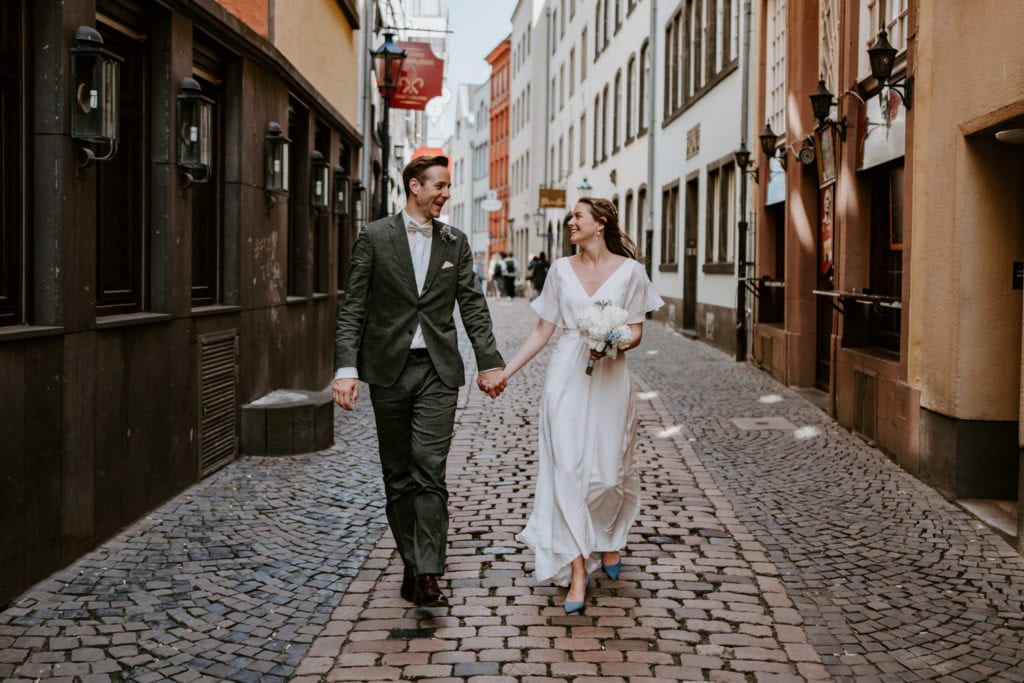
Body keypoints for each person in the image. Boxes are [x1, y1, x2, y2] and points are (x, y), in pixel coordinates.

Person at [334, 155, 507, 607]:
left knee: (429, 467)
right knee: (398, 473)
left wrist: (489, 362)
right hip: (387, 370)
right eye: (440, 186)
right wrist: (346, 369)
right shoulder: (373, 237)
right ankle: (410, 562)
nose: (446, 194)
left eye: (447, 186)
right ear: (414, 186)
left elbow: (472, 306)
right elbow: (353, 306)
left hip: (437, 370)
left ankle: (430, 572)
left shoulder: (455, 242)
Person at [495, 198, 663, 614]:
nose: (571, 222)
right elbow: (541, 331)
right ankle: (575, 572)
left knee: (608, 475)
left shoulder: (631, 273)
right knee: (568, 470)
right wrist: (504, 372)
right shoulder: (558, 270)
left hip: (611, 377)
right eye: (571, 215)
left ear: (600, 224)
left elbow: (637, 331)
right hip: (566, 376)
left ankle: (608, 539)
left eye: (578, 216)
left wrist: (612, 341)